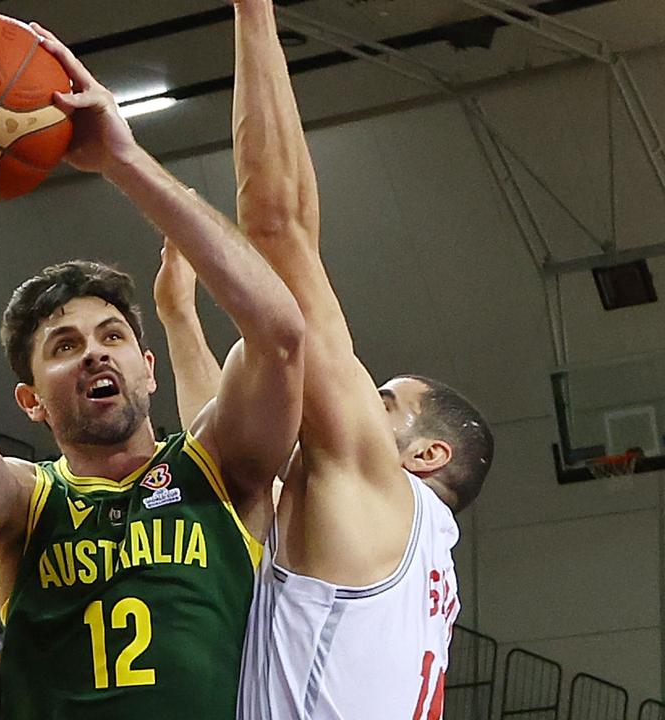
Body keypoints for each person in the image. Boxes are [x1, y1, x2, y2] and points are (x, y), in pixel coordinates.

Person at [0, 20, 303, 718]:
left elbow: (279, 336)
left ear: (149, 368)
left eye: (111, 336)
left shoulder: (220, 466)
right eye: (64, 346)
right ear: (31, 401)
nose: (95, 351)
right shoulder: (24, 507)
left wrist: (124, 160)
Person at [153, 3, 494, 718]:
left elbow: (276, 225)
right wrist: (179, 320)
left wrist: (253, 11)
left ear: (426, 453)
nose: (360, 399)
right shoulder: (398, 545)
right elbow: (224, 456)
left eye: (385, 400)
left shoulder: (375, 487)